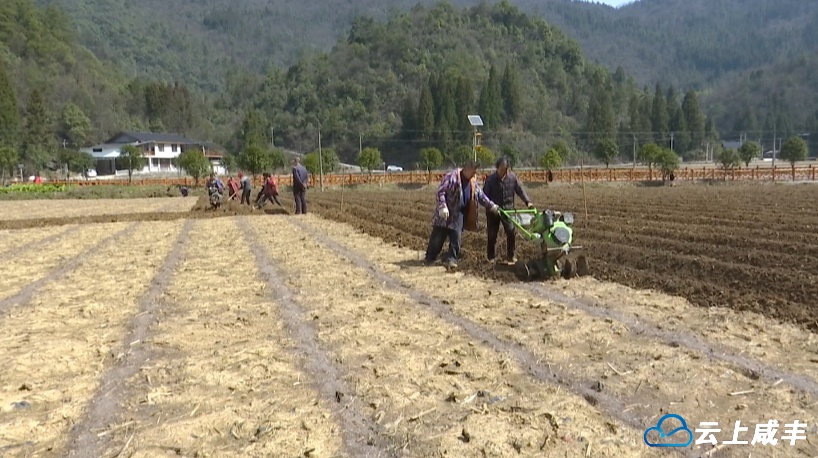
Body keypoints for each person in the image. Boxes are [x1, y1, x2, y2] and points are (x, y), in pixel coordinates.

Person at [425, 160, 499, 268]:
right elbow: (441, 192)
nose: (475, 174)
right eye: (473, 171)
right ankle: (430, 258)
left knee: (456, 238)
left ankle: (451, 259)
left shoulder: (472, 182)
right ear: (466, 169)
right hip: (445, 213)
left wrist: (491, 205)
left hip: (459, 214)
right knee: (438, 237)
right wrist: (442, 206)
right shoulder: (452, 177)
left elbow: (480, 196)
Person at [482, 156, 534, 264]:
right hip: (493, 210)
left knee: (511, 232)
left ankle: (511, 255)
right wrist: (490, 206)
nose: (503, 172)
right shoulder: (490, 180)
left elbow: (520, 190)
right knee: (492, 234)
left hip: (508, 209)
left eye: (505, 169)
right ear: (497, 168)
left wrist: (528, 202)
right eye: (501, 169)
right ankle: (491, 257)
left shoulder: (512, 178)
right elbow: (484, 196)